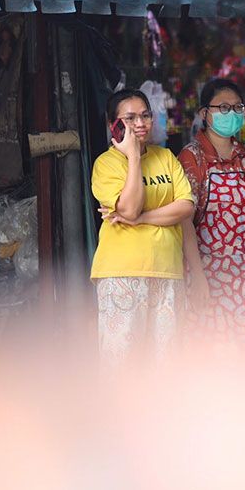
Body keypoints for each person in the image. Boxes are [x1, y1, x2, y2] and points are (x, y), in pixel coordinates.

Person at [90, 89, 195, 367]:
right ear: (113, 124)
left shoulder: (166, 157)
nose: (140, 123)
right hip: (122, 274)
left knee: (165, 365)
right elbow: (129, 208)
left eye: (145, 115)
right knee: (123, 365)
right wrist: (134, 156)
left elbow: (186, 207)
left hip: (167, 271)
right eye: (130, 118)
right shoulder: (106, 164)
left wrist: (140, 220)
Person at [177, 79, 245, 356]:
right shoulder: (192, 157)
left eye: (237, 108)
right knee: (213, 354)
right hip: (210, 273)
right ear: (204, 113)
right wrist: (198, 275)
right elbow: (185, 221)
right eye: (223, 108)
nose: (231, 113)